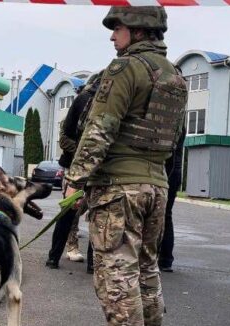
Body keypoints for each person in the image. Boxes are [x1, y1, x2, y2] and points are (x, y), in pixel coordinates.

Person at [63, 6, 188, 326]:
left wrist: (75, 179)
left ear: (138, 30)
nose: (112, 34)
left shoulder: (124, 68)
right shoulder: (175, 76)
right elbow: (174, 140)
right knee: (146, 273)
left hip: (120, 190)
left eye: (117, 27)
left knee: (117, 282)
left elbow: (99, 129)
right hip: (156, 188)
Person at [45, 71, 103, 273]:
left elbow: (66, 134)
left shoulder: (84, 99)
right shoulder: (89, 100)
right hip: (89, 167)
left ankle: (54, 258)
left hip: (79, 166)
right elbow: (65, 136)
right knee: (93, 213)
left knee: (70, 210)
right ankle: (90, 264)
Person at [158, 128, 185, 273]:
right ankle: (166, 260)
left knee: (156, 216)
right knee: (166, 215)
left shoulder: (168, 123)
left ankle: (157, 257)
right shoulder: (180, 123)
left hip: (165, 172)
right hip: (175, 173)